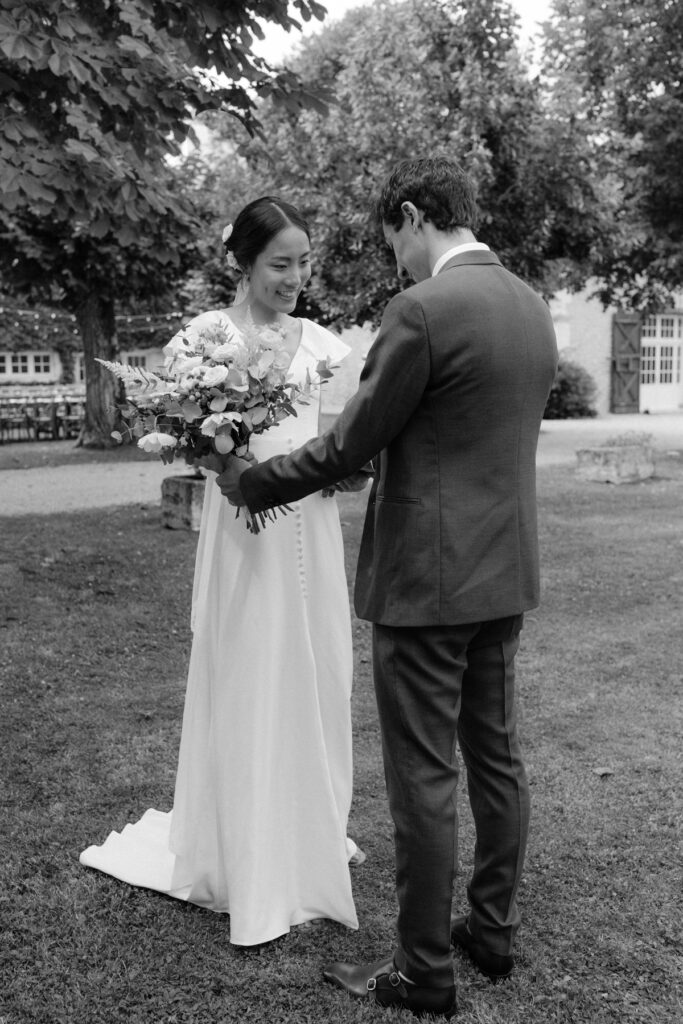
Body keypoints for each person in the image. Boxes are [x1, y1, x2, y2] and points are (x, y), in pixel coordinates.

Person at [216, 158, 558, 1017]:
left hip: (424, 583)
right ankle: (492, 932)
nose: (395, 260)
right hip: (503, 572)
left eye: (392, 240)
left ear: (411, 217)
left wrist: (253, 482)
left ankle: (423, 972)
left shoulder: (422, 309)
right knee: (496, 757)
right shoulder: (529, 305)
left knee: (421, 775)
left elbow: (351, 447)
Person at [80, 196, 367, 946]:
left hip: (310, 532)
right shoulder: (203, 338)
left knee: (319, 670)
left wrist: (347, 472)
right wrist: (230, 461)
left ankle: (309, 834)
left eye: (304, 262)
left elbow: (332, 445)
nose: (295, 277)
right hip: (243, 536)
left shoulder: (322, 345)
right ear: (242, 262)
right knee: (249, 671)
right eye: (280, 263)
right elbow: (194, 440)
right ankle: (242, 850)